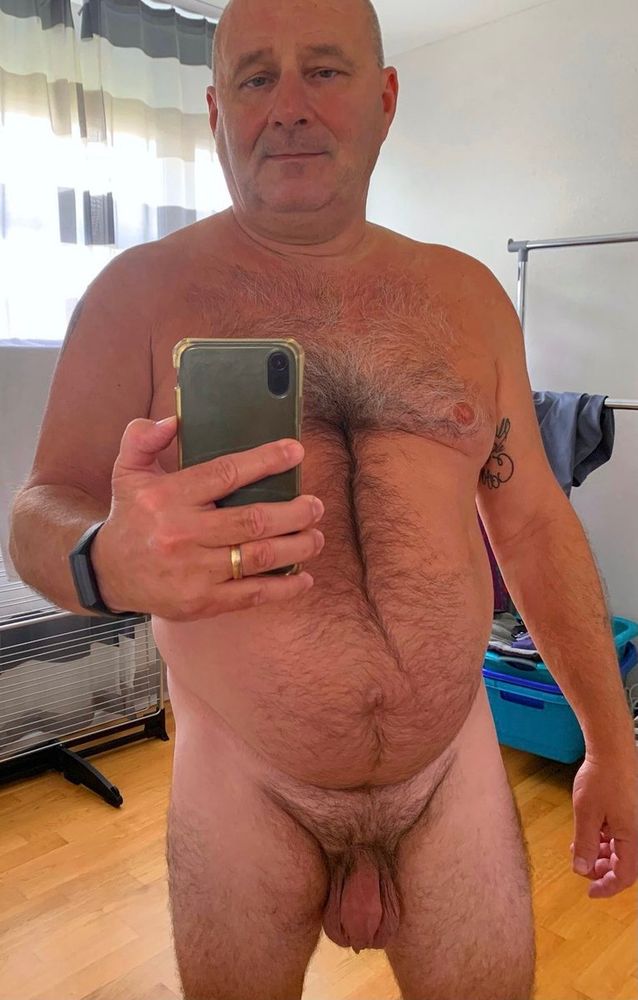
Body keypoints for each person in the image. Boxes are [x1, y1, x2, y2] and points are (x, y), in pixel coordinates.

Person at [10, 0, 637, 997]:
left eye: (326, 72)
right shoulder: (137, 294)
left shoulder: (469, 298)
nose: (289, 106)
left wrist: (611, 742)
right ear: (215, 111)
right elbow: (41, 507)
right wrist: (104, 558)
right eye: (256, 78)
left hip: (451, 772)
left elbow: (530, 521)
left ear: (384, 100)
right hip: (244, 784)